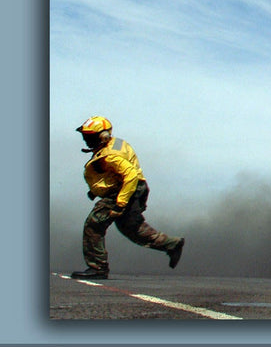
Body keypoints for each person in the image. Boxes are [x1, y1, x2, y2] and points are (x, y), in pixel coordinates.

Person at [70, 116, 185, 280]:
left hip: (125, 190)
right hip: (134, 189)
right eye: (85, 136)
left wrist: (119, 204)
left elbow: (130, 176)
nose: (86, 140)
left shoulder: (110, 154)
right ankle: (171, 244)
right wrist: (97, 190)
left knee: (94, 224)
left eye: (90, 137)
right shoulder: (114, 143)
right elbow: (116, 174)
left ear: (102, 136)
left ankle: (97, 268)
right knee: (132, 229)